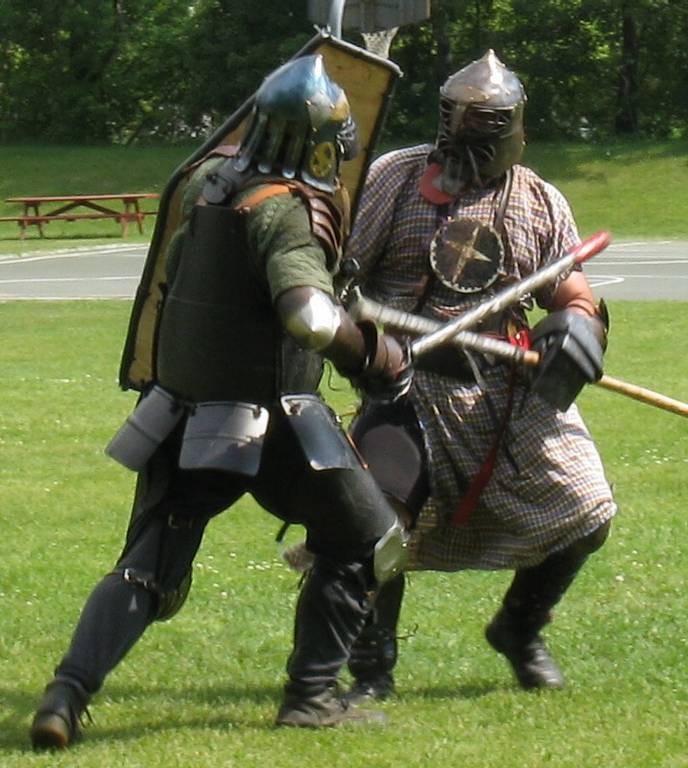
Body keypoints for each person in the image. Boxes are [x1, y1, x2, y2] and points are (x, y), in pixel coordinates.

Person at [29, 54, 411, 749]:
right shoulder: (287, 211)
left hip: (182, 412)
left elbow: (183, 277)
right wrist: (372, 355)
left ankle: (66, 693)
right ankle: (311, 698)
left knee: (148, 566)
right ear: (318, 145)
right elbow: (308, 316)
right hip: (274, 420)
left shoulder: (212, 188)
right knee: (367, 539)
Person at [339, 50, 617, 702]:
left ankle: (519, 629)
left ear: (513, 128)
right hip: (404, 383)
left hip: (506, 388)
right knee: (374, 520)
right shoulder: (395, 179)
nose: (470, 142)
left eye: (486, 127)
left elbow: (571, 291)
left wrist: (579, 326)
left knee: (587, 511)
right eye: (462, 125)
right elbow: (341, 278)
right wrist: (374, 340)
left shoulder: (539, 199)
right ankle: (372, 669)